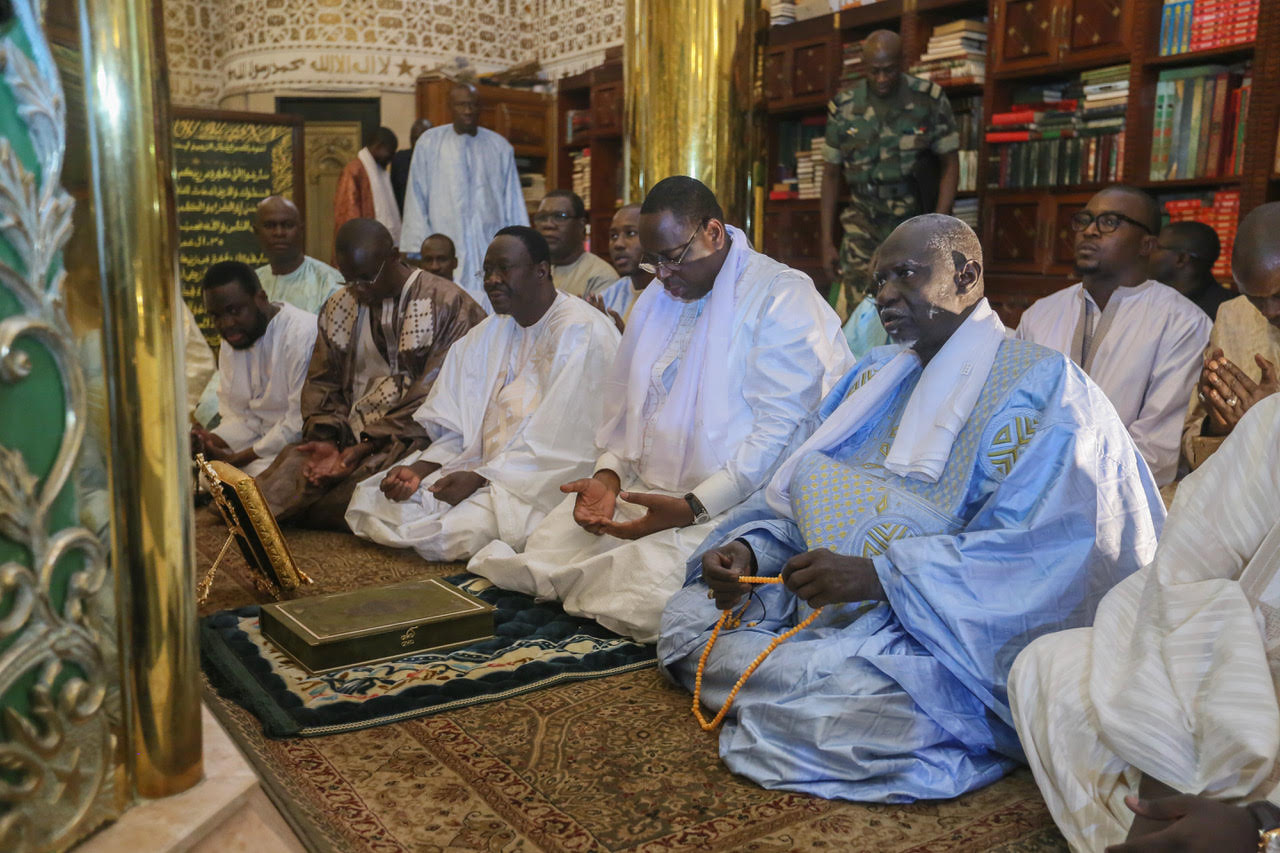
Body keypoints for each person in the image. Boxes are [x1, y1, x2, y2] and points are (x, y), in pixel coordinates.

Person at [659, 214, 1165, 803]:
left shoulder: (1045, 387)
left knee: (843, 701)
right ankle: (799, 676)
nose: (885, 296)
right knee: (684, 616)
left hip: (945, 632)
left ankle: (811, 684)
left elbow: (1052, 557)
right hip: (822, 604)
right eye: (877, 283)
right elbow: (800, 503)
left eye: (905, 274)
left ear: (967, 273)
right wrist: (750, 551)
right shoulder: (872, 377)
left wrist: (882, 578)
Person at [468, 176, 853, 643]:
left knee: (638, 597)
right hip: (648, 491)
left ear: (713, 232)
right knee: (545, 551)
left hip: (738, 501)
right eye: (653, 262)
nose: (662, 275)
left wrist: (691, 506)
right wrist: (609, 476)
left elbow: (778, 435)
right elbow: (627, 402)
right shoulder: (660, 294)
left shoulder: (781, 296)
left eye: (672, 259)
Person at [1008, 394, 1280, 853]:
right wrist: (1166, 744)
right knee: (1048, 667)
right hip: (1236, 691)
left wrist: (1263, 826)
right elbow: (1181, 579)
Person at [345, 227, 621, 560]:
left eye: (503, 269)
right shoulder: (490, 332)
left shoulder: (581, 332)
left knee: (450, 534)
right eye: (487, 271)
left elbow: (563, 444)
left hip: (535, 485)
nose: (491, 279)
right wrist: (422, 469)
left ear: (541, 271)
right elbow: (458, 424)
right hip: (476, 468)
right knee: (371, 499)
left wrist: (479, 478)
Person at [254, 219, 486, 529]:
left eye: (366, 278)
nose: (358, 290)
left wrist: (366, 445)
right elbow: (323, 380)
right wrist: (327, 438)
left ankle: (318, 509)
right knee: (297, 464)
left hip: (412, 439)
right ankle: (252, 511)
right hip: (346, 435)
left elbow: (436, 397)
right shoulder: (340, 303)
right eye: (349, 279)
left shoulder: (448, 304)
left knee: (365, 489)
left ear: (393, 256)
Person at [1016, 186, 1210, 486]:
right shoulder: (1040, 315)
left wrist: (1068, 492)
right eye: (1084, 220)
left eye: (1109, 222)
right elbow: (1016, 418)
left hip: (1123, 505)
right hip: (1029, 491)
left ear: (1146, 244)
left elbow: (1157, 451)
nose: (1089, 231)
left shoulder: (1183, 323)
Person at [820, 29, 960, 319]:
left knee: (912, 308)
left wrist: (937, 226)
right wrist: (826, 240)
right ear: (864, 66)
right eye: (875, 71)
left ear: (902, 63)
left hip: (912, 217)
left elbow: (950, 164)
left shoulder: (929, 100)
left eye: (889, 70)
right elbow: (831, 174)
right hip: (862, 218)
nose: (882, 79)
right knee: (856, 314)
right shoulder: (844, 108)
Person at [400, 82, 529, 307]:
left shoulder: (499, 147)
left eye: (472, 105)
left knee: (490, 311)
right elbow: (416, 197)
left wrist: (521, 246)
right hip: (445, 248)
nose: (468, 111)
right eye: (461, 105)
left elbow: (513, 200)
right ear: (450, 107)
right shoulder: (429, 143)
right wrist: (418, 247)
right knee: (444, 307)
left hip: (488, 244)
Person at [190, 261, 317, 477]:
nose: (226, 323)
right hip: (255, 448)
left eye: (234, 311)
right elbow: (239, 416)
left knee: (253, 483)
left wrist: (235, 459)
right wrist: (209, 441)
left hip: (297, 447)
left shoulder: (302, 334)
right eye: (216, 316)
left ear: (261, 298)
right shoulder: (234, 339)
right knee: (201, 475)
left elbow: (297, 425)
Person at [1181, 202, 1280, 471]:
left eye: (1279, 295)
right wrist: (1218, 424)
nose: (1269, 312)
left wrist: (1271, 420)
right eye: (1254, 298)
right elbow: (1193, 449)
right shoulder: (1232, 316)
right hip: (1236, 495)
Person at [252, 196, 343, 314]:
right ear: (256, 231)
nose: (279, 233)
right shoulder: (251, 283)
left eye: (287, 225)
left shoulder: (329, 283)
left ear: (301, 230)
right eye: (270, 226)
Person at [534, 190, 618, 298]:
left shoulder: (600, 277)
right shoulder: (534, 272)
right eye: (542, 217)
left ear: (581, 225)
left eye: (559, 216)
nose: (548, 224)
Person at [588, 203, 654, 332]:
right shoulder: (609, 295)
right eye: (613, 236)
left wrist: (621, 340)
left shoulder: (673, 294)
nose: (618, 244)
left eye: (630, 233)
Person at [1148, 220, 1232, 321]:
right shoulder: (1152, 300)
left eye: (1156, 247)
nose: (1147, 253)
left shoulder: (1225, 314)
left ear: (1181, 259)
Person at [334, 126, 401, 244]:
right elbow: (349, 214)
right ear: (379, 146)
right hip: (363, 246)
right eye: (390, 152)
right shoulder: (355, 170)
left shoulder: (381, 172)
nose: (391, 158)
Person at [391, 118, 431, 214]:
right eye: (414, 138)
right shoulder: (400, 159)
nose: (417, 143)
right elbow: (394, 193)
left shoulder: (441, 159)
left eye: (422, 138)